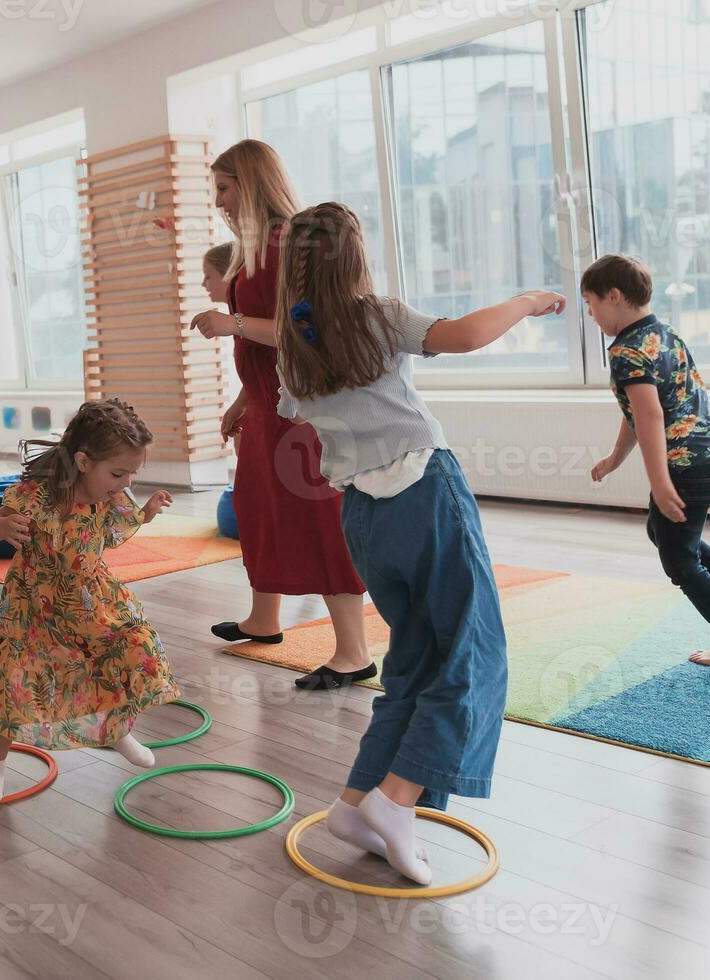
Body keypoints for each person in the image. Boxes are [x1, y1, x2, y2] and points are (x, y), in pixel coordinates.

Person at [274, 201, 565, 884]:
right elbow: (461, 336)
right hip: (423, 495)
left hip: (364, 522)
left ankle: (356, 804)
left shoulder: (293, 345)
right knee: (473, 654)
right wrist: (526, 300)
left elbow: (300, 405)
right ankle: (396, 799)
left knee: (413, 659)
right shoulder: (375, 316)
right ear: (356, 259)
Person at [192, 139, 371, 691]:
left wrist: (233, 325)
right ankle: (264, 620)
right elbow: (267, 350)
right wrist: (243, 400)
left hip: (302, 414)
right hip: (269, 405)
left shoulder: (285, 245)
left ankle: (353, 652)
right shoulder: (252, 248)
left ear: (248, 184)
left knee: (318, 520)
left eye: (223, 188)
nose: (217, 199)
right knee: (259, 509)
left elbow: (305, 332)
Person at [0, 399, 180, 802]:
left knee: (127, 652)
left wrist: (149, 511)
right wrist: (1, 526)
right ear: (84, 462)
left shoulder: (112, 497)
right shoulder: (38, 495)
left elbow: (119, 530)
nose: (125, 483)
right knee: (13, 680)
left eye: (131, 474)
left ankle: (117, 733)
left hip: (89, 601)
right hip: (33, 605)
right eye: (118, 472)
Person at [584, 253, 710, 670]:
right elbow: (639, 412)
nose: (592, 315)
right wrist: (616, 458)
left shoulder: (625, 351)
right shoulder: (663, 334)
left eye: (591, 303)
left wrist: (661, 481)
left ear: (614, 296)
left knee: (679, 559)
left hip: (689, 466)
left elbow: (650, 417)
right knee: (665, 532)